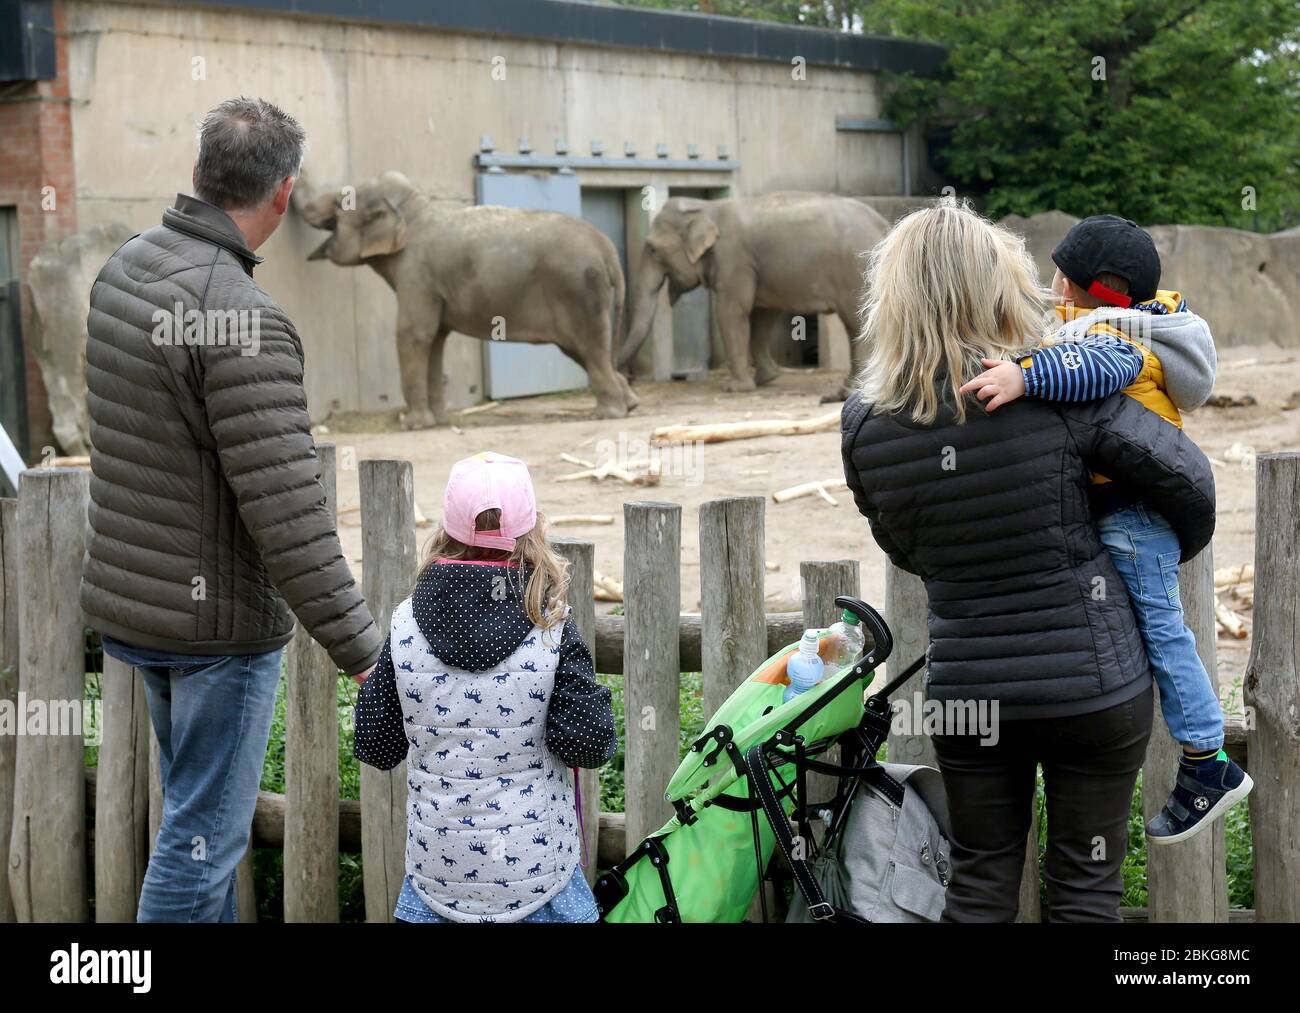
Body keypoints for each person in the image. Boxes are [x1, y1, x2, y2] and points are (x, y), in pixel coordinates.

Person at [840, 200, 1216, 922]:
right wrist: (1138, 547)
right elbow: (1188, 481)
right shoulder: (1058, 386)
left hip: (970, 689)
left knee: (978, 883)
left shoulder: (865, 421)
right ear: (1001, 286)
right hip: (1093, 685)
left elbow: (903, 546)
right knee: (1085, 885)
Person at [81, 98, 382, 922]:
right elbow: (288, 514)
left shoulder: (125, 269)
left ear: (199, 173)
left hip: (141, 616)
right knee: (201, 844)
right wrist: (363, 652)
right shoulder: (244, 321)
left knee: (196, 824)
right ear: (284, 195)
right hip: (216, 636)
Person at [959, 214, 1251, 846]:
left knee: (1162, 632)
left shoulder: (1118, 340)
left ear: (1100, 287)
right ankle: (1201, 756)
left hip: (1135, 516)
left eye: (1062, 271)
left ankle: (1208, 761)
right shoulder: (1099, 321)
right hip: (1124, 516)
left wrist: (1025, 377)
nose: (1051, 279)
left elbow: (1092, 371)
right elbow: (1055, 333)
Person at [354, 451, 617, 923]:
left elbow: (377, 746)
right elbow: (590, 744)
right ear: (533, 531)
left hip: (435, 880)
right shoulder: (551, 626)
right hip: (539, 882)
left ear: (446, 532)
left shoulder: (405, 624)